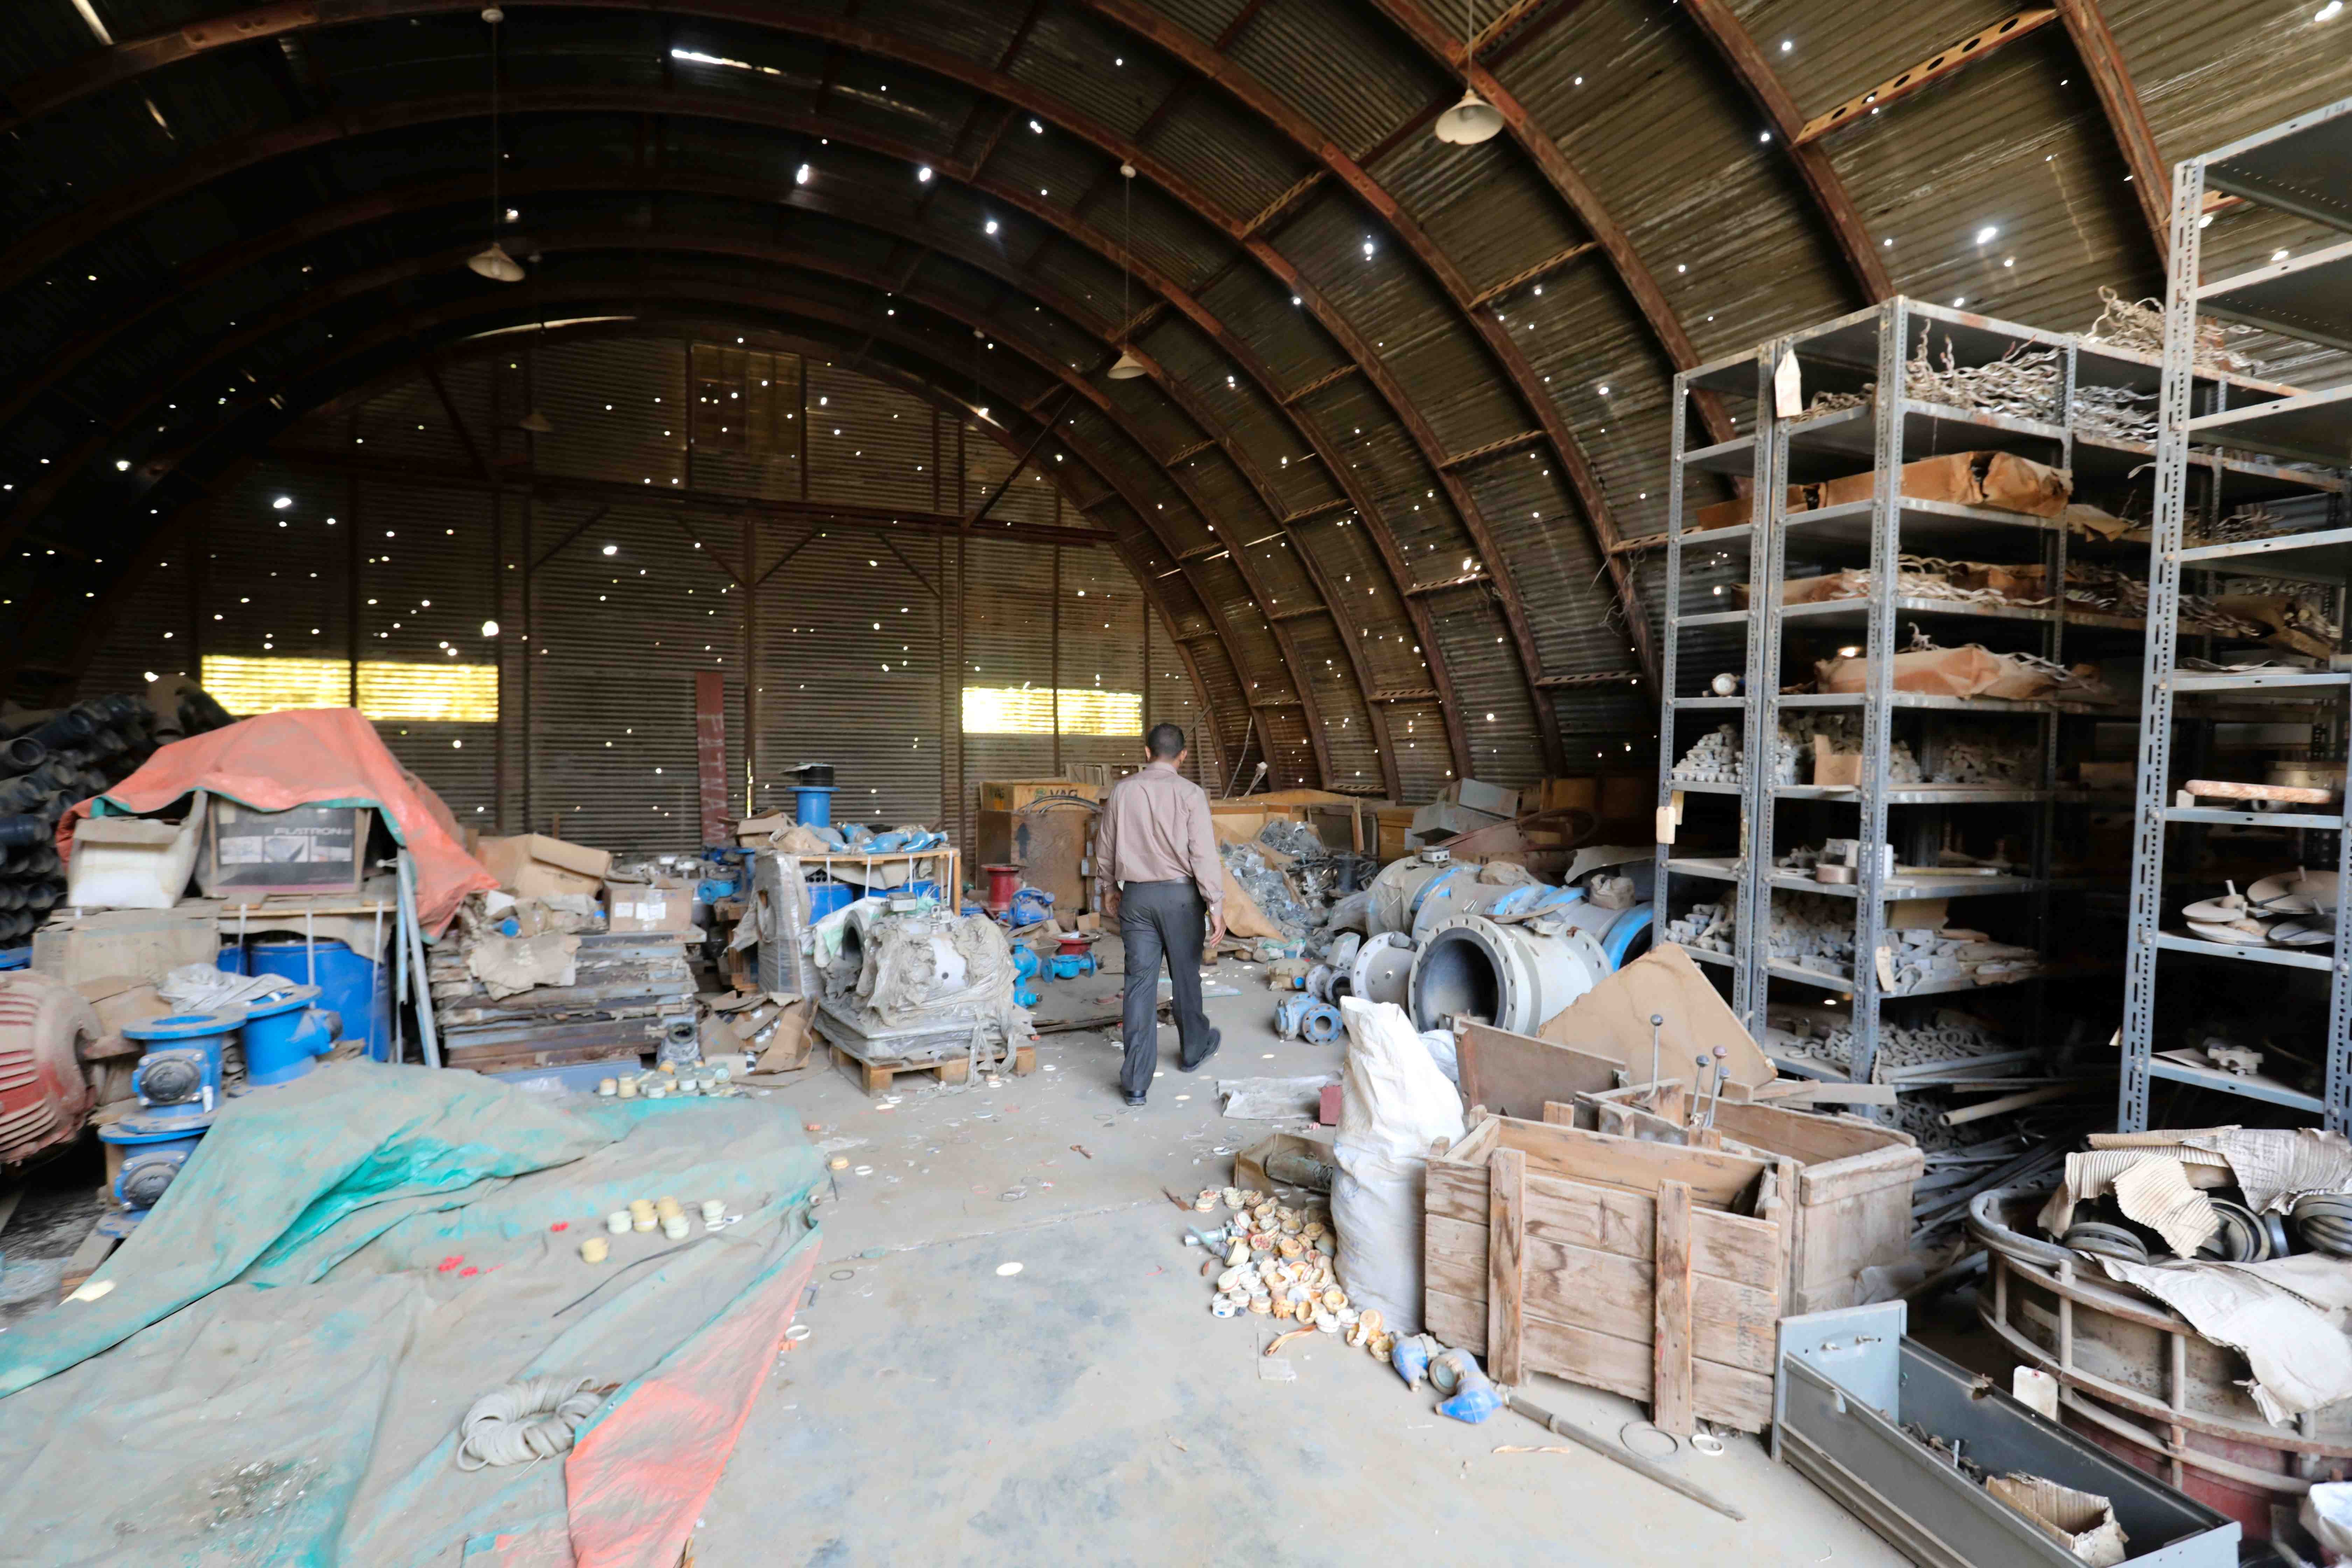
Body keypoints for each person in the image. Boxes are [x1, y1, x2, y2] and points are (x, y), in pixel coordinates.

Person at [1093, 722, 1224, 1106]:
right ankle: (1193, 1050)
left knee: (1139, 985)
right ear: (1183, 756)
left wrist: (1108, 888)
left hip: (1137, 899)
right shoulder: (1191, 794)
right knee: (1186, 978)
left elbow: (1106, 845)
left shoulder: (1123, 791)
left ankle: (1135, 1083)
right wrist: (1216, 904)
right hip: (1183, 898)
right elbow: (1202, 853)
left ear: (1147, 753)